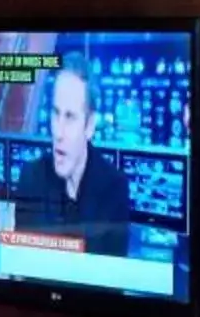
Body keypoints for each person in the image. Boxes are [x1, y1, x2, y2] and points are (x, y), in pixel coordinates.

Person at [9, 56, 132, 255]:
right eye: (55, 114)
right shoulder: (30, 178)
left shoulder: (114, 188)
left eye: (70, 117)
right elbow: (23, 264)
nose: (59, 132)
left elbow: (111, 279)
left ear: (90, 125)